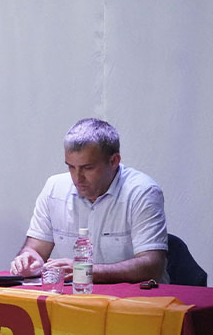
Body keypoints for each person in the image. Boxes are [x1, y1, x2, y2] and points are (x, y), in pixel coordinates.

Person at [9, 118, 168, 284]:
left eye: (88, 168)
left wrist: (86, 271)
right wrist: (28, 260)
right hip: (76, 295)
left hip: (138, 297)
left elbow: (152, 266)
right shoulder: (54, 189)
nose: (77, 178)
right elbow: (35, 249)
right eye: (71, 167)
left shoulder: (142, 192)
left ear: (114, 161)